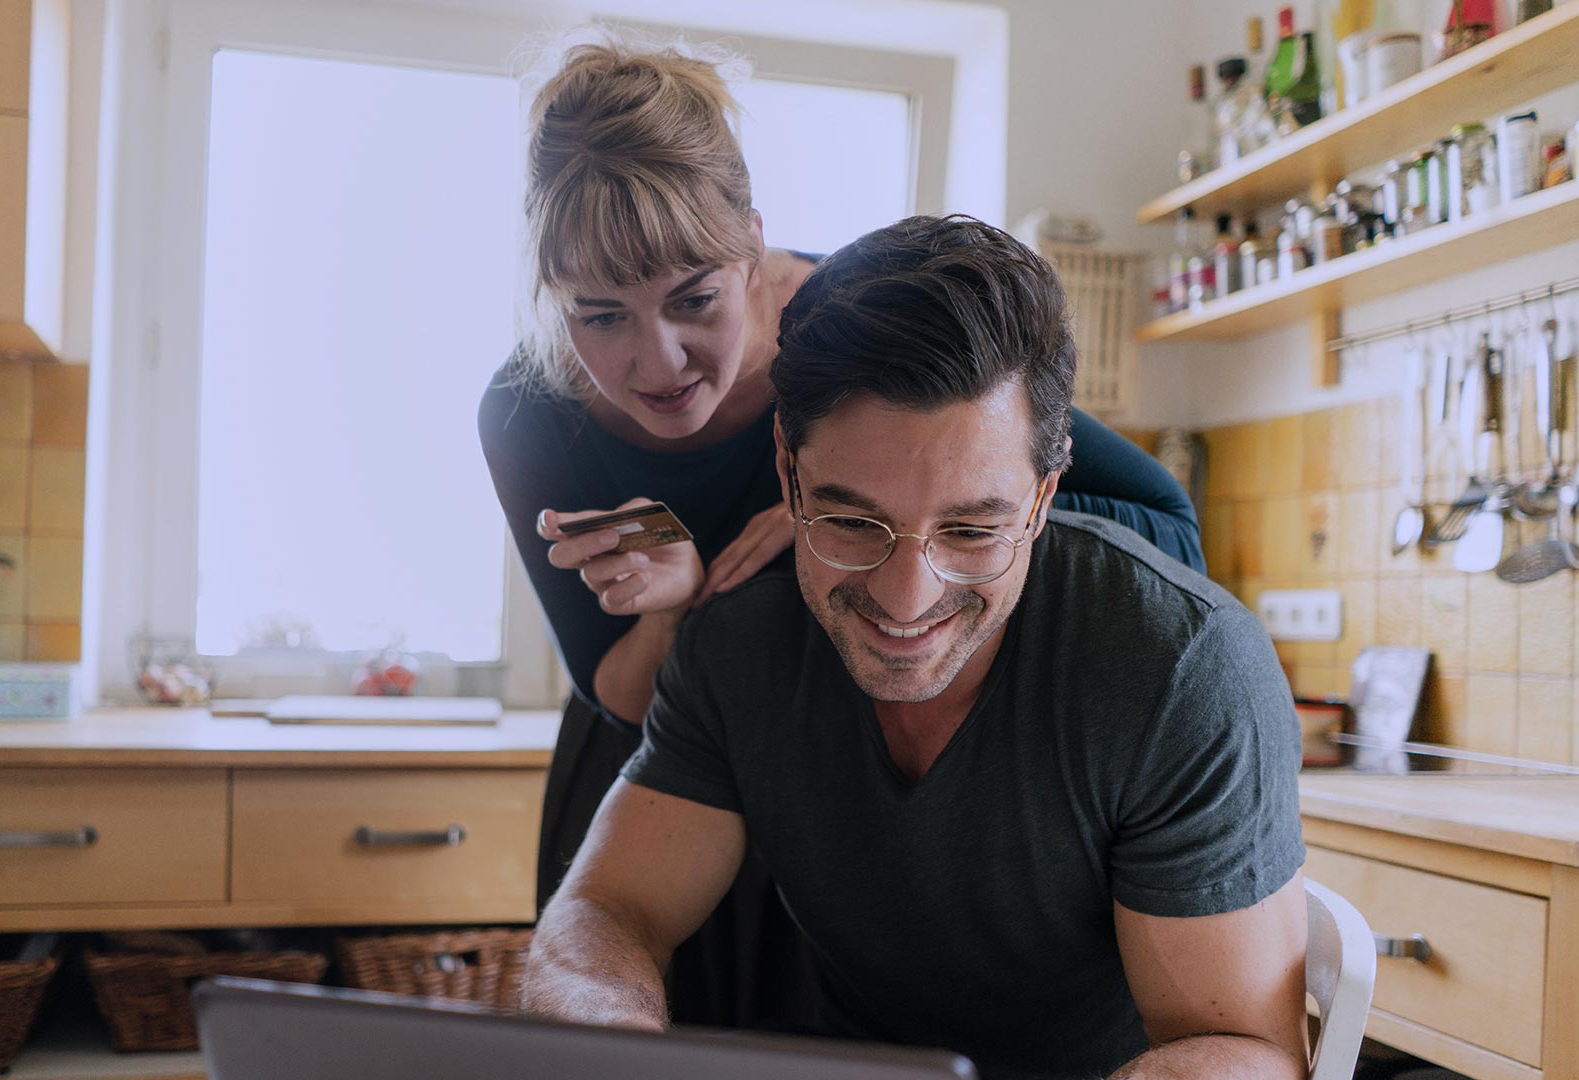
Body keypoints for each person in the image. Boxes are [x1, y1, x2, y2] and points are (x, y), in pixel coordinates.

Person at [477, 39, 1205, 1030]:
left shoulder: (852, 330)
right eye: (600, 316)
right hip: (651, 781)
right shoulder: (528, 412)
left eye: (695, 299)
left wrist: (863, 516)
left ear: (756, 249)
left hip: (838, 768)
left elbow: (1167, 524)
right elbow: (618, 691)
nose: (659, 361)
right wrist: (680, 605)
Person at [519, 215, 1308, 1080]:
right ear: (785, 471)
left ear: (1045, 495)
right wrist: (611, 1038)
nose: (906, 600)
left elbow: (1247, 1053)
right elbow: (606, 907)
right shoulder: (740, 639)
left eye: (972, 530)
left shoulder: (1180, 670)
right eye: (852, 522)